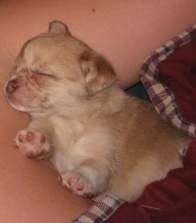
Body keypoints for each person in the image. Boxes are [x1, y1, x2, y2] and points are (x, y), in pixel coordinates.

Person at [0, 1, 196, 222]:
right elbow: (47, 134)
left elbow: (99, 169)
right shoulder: (48, 115)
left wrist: (85, 177)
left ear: (92, 78)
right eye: (17, 69)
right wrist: (40, 143)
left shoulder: (113, 116)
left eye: (41, 75)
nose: (13, 81)